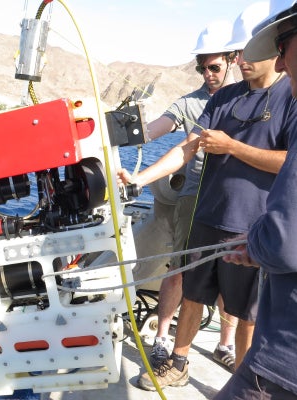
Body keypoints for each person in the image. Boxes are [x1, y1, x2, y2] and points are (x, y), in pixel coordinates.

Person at [118, 2, 294, 391]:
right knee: (193, 294)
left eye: (245, 51)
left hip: (252, 228)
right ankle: (178, 363)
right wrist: (138, 179)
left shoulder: (290, 98)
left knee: (246, 313)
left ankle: (245, 383)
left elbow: (288, 161)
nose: (239, 60)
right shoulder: (224, 97)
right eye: (235, 53)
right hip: (208, 216)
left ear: (273, 50)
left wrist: (232, 146)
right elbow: (187, 147)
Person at [143, 19, 239, 372]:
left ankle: (225, 345)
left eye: (213, 67)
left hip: (233, 201)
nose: (207, 74)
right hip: (194, 198)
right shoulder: (189, 104)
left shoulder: (250, 99)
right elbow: (155, 130)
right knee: (180, 268)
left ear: (234, 58)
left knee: (232, 272)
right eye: (202, 68)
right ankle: (162, 339)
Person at [214, 1, 297, 398]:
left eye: (282, 47)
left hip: (284, 361)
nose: (280, 64)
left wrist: (260, 242)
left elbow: (283, 243)